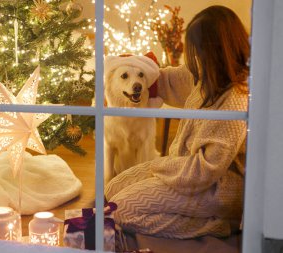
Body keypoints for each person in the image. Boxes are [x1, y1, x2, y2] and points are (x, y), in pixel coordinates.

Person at [104, 5, 250, 239]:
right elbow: (167, 79)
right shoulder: (206, 77)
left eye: (197, 51)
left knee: (119, 211)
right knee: (111, 189)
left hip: (216, 188)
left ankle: (219, 224)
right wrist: (138, 66)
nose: (193, 58)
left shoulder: (235, 100)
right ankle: (180, 210)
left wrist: (158, 166)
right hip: (183, 169)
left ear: (215, 52)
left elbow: (203, 172)